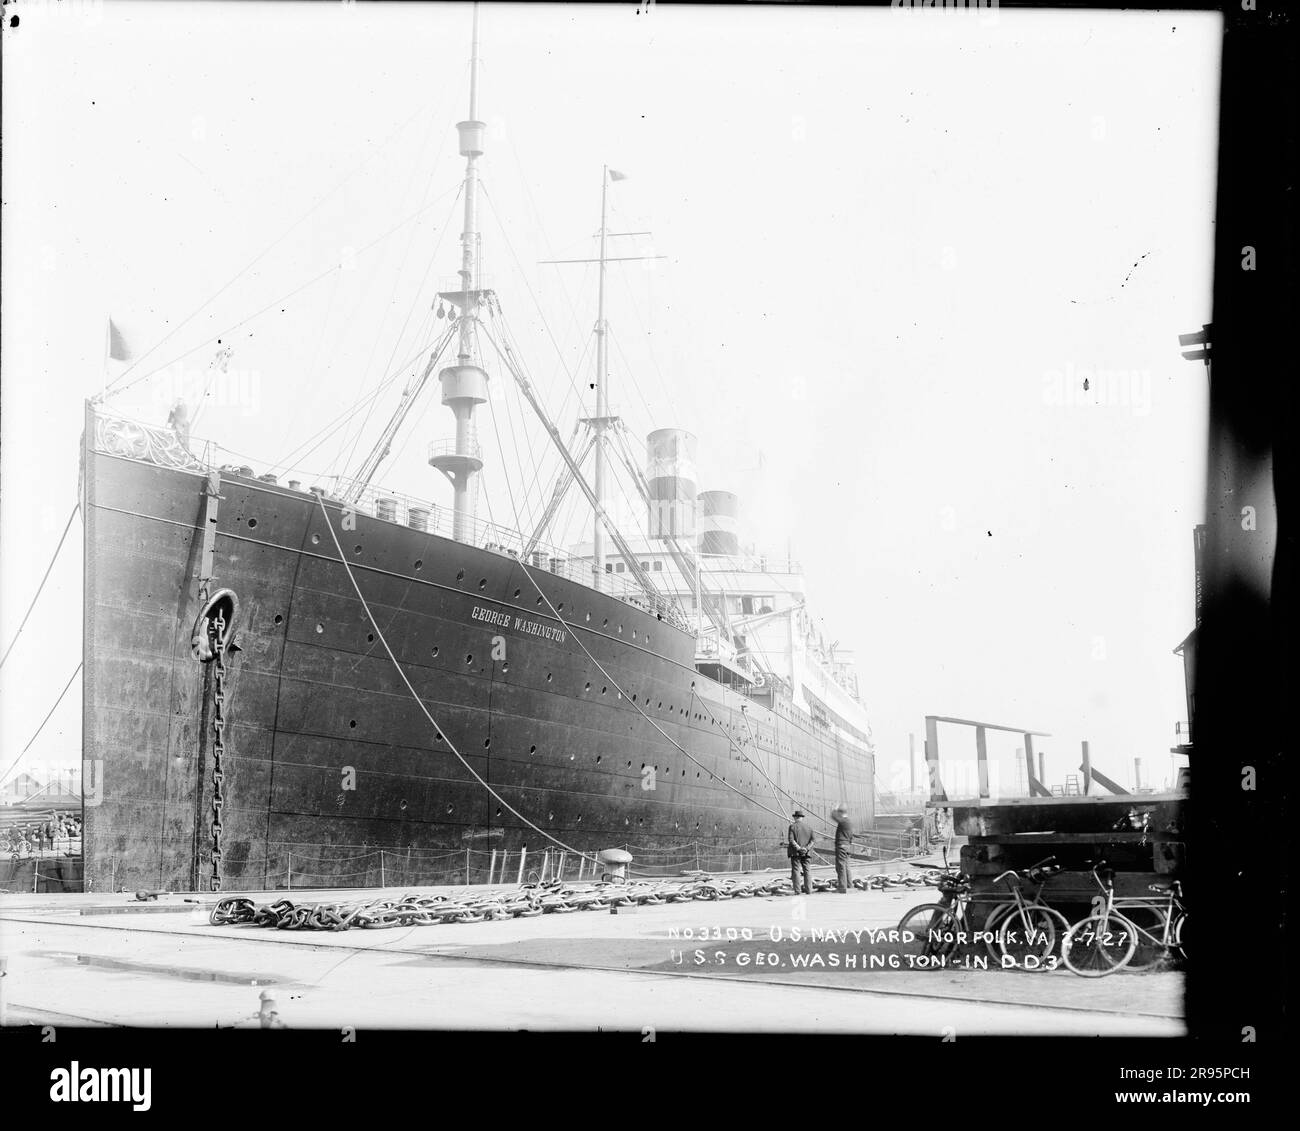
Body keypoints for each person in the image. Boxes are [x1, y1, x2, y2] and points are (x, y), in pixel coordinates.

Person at [787, 809, 815, 895]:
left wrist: (799, 849)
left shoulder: (792, 827)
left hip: (796, 853)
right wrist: (806, 849)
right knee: (807, 871)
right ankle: (809, 890)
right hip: (806, 853)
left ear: (795, 817)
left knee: (796, 871)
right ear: (802, 818)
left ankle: (798, 891)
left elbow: (791, 840)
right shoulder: (809, 827)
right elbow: (812, 840)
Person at [832, 805, 854, 893]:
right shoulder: (849, 822)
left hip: (841, 846)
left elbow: (834, 816)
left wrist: (834, 809)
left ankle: (842, 887)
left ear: (841, 813)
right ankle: (849, 885)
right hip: (847, 846)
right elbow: (851, 836)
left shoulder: (843, 821)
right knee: (847, 866)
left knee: (841, 866)